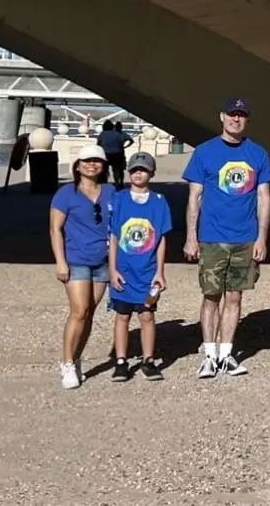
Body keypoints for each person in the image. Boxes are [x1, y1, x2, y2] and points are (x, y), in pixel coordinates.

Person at [182, 97, 270, 378]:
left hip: (245, 237)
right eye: (232, 114)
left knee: (235, 297)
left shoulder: (257, 154)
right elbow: (194, 197)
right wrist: (191, 237)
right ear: (222, 116)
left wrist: (262, 238)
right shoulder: (205, 152)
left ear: (247, 119)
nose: (236, 119)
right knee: (211, 296)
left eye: (241, 115)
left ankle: (227, 353)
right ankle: (209, 354)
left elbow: (264, 199)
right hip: (212, 237)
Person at [49, 145, 116, 389]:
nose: (91, 164)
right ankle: (66, 362)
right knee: (78, 311)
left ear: (103, 166)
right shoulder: (66, 194)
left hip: (103, 260)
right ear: (77, 165)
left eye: (97, 161)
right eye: (86, 161)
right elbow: (55, 229)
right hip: (76, 259)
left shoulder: (110, 191)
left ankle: (77, 359)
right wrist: (60, 261)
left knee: (89, 312)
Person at [108, 152, 170, 382]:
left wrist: (160, 271)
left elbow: (162, 238)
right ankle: (121, 361)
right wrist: (112, 269)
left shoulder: (159, 202)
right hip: (123, 270)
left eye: (143, 170)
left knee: (146, 316)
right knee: (122, 316)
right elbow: (114, 237)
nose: (138, 173)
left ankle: (148, 359)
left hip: (147, 270)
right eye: (134, 170)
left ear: (151, 173)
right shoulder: (119, 199)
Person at [97, 120, 134, 190]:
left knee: (104, 170)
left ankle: (103, 183)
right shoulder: (117, 134)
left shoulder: (102, 134)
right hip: (117, 154)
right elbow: (127, 141)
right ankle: (118, 183)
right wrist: (124, 147)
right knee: (117, 170)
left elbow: (98, 144)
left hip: (106, 154)